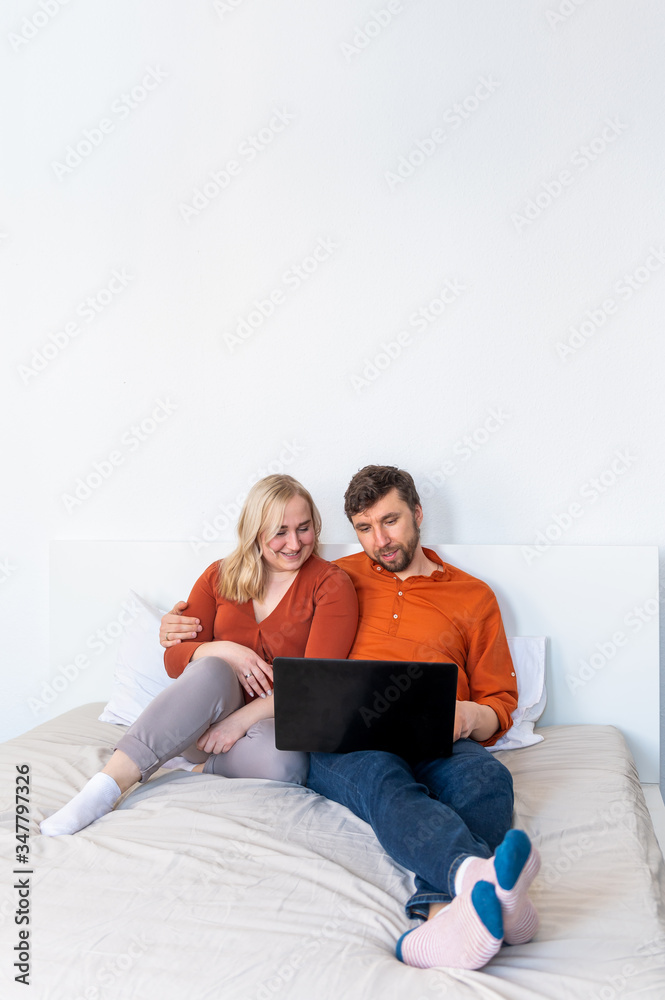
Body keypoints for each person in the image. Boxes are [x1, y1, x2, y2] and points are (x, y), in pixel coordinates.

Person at [159, 466, 540, 972]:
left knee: (487, 779)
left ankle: (447, 919)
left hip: (441, 732)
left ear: (418, 514)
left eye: (391, 521)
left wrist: (469, 716)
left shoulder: (473, 596)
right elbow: (258, 614)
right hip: (351, 736)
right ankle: (475, 888)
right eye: (364, 528)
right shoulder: (333, 579)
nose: (380, 540)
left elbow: (501, 705)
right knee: (384, 783)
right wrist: (181, 627)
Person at [40, 474, 359, 837]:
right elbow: (175, 661)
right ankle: (106, 786)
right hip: (202, 725)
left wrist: (241, 721)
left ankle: (194, 772)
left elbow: (317, 680)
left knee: (287, 764)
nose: (294, 543)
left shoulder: (331, 584)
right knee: (211, 669)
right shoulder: (220, 576)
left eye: (304, 528)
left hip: (269, 727)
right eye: (279, 531)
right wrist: (223, 649)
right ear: (255, 531)